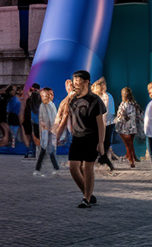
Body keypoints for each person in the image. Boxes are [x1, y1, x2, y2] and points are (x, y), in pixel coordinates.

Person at [55, 70, 104, 207]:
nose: (75, 83)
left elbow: (101, 123)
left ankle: (86, 199)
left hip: (91, 137)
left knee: (87, 167)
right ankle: (88, 193)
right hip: (76, 137)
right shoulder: (72, 100)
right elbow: (65, 118)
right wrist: (57, 136)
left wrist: (100, 142)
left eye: (78, 81)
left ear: (86, 81)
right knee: (73, 167)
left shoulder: (95, 100)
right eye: (74, 81)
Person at [91, 78, 116, 171]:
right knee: (101, 142)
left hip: (108, 123)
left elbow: (108, 111)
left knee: (107, 142)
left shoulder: (107, 96)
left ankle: (102, 158)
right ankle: (103, 159)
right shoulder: (96, 97)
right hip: (100, 123)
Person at [34, 87, 59, 176]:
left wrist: (52, 129)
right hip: (45, 130)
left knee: (49, 150)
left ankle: (53, 168)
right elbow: (41, 117)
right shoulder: (42, 105)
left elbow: (53, 119)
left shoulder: (51, 105)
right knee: (45, 149)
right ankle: (40, 168)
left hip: (50, 131)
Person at [114, 87, 143, 168]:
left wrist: (115, 122)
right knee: (131, 143)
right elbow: (139, 115)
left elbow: (120, 117)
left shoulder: (123, 105)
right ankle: (133, 156)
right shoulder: (135, 104)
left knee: (127, 145)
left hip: (125, 127)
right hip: (133, 127)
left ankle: (131, 160)